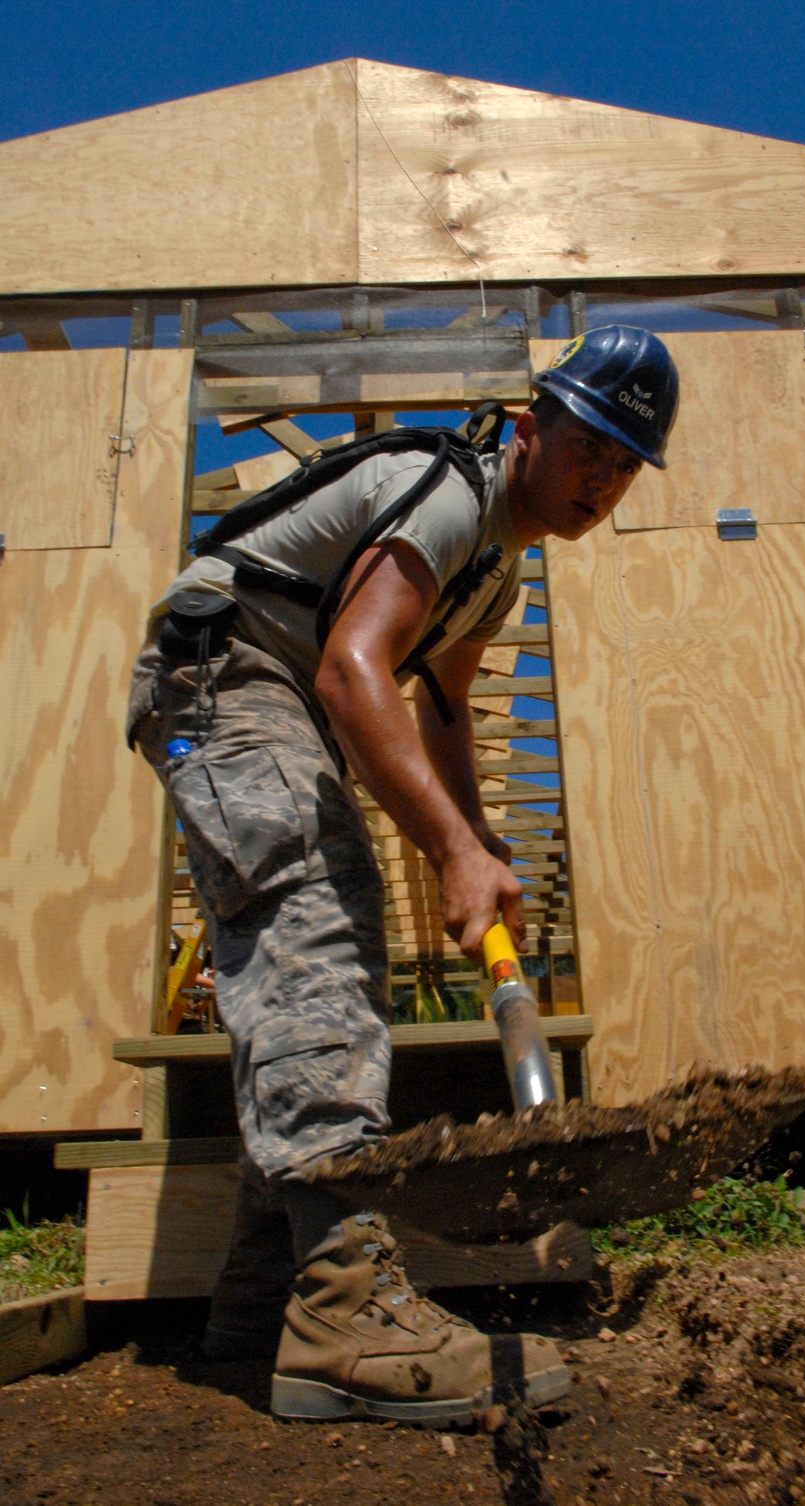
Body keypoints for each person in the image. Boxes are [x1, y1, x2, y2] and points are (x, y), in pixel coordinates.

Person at [127, 325, 680, 1424]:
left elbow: (438, 710)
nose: (600, 480)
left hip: (263, 692)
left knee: (308, 957)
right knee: (320, 916)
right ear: (530, 428)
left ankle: (268, 1301)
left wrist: (473, 848)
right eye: (587, 447)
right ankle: (344, 1308)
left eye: (623, 464)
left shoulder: (495, 573)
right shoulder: (449, 490)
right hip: (218, 678)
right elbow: (351, 668)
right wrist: (450, 848)